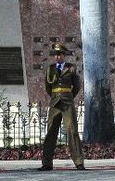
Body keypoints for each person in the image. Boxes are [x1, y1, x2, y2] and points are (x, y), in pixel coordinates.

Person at [39, 43, 85, 171]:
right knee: (50, 132)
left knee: (72, 130)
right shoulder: (51, 69)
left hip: (67, 102)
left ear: (64, 55)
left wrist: (68, 96)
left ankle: (79, 162)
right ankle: (47, 163)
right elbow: (48, 87)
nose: (57, 57)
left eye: (59, 54)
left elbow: (76, 86)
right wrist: (55, 96)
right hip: (55, 102)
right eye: (56, 55)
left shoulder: (71, 68)